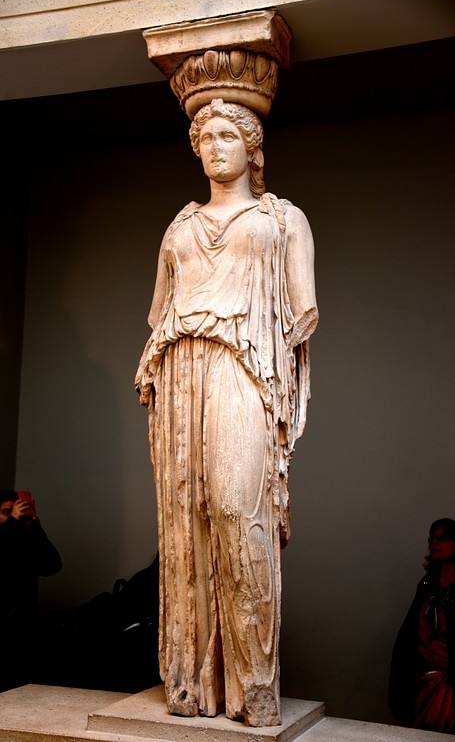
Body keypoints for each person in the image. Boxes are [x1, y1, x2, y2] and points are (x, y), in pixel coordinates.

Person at [135, 98, 318, 726]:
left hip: (244, 367)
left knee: (240, 510)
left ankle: (253, 685)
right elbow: (161, 315)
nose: (215, 147)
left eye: (227, 135)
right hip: (180, 372)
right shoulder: (179, 227)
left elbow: (301, 314)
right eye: (204, 137)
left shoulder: (283, 219)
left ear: (252, 147)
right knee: (186, 521)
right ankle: (191, 684)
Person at [0, 489, 62, 701]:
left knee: (13, 690)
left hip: (19, 631)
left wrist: (34, 525)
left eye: (17, 511)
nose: (13, 515)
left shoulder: (25, 544)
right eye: (6, 512)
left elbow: (52, 565)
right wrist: (13, 521)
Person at [389, 518, 455, 735]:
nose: (434, 542)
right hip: (424, 683)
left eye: (443, 538)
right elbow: (411, 634)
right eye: (432, 538)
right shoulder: (427, 586)